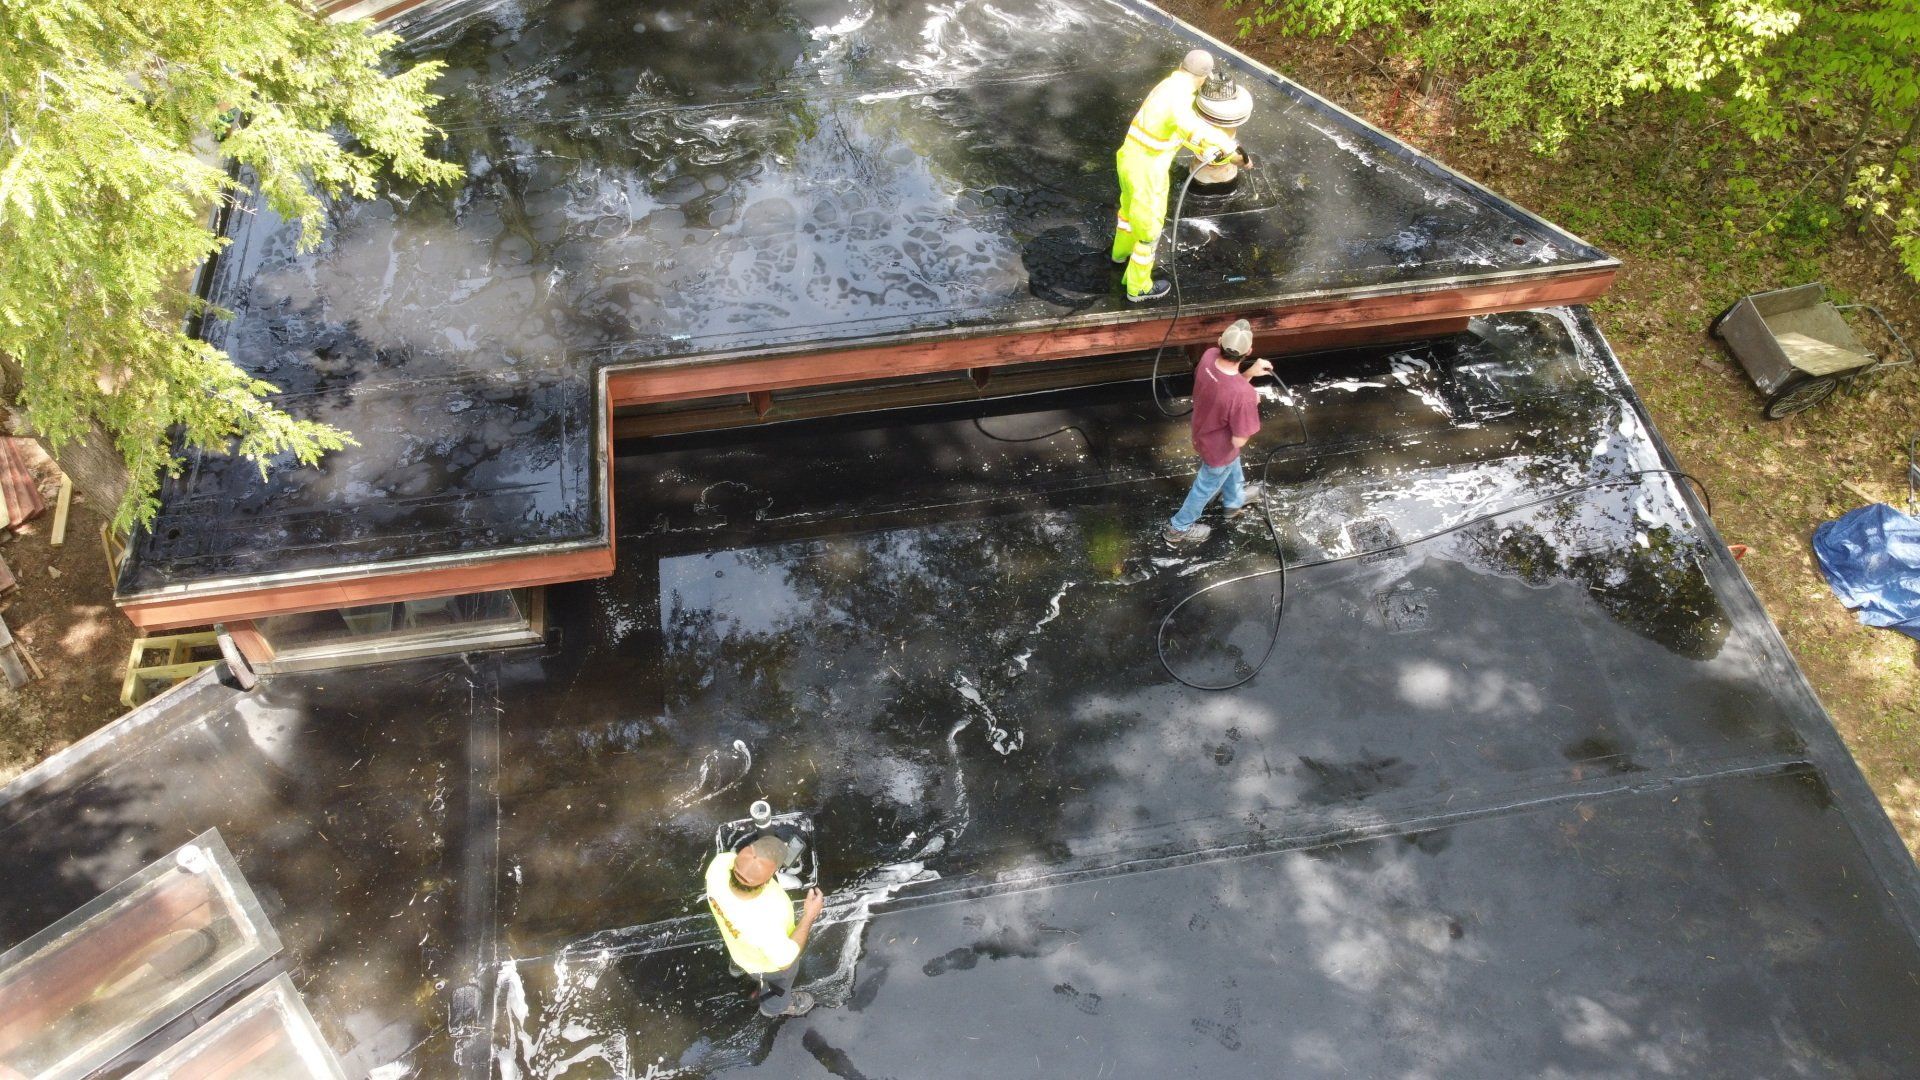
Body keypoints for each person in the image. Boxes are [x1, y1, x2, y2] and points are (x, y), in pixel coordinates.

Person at [1113, 50, 1251, 302]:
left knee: (1128, 211)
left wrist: (1204, 148)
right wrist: (1234, 154)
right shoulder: (1180, 104)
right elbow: (1195, 128)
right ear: (1204, 77)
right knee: (1149, 231)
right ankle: (1138, 288)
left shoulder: (1167, 85)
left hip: (1127, 158)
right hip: (1148, 170)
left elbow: (1179, 132)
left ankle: (1120, 254)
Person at [1167, 319, 1272, 544]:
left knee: (1231, 466)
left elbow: (1224, 390)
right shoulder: (1242, 396)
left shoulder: (1208, 356)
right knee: (1205, 486)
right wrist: (1250, 401)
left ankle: (1234, 502)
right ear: (1249, 351)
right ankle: (1178, 528)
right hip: (1219, 451)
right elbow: (1239, 440)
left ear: (1219, 343)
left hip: (1203, 431)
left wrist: (1250, 374)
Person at [706, 834, 826, 1017]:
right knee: (779, 984)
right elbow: (785, 961)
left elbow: (749, 864)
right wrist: (810, 914)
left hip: (738, 947)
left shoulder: (719, 866)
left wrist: (765, 858)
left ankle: (737, 968)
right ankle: (775, 1007)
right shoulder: (766, 917)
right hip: (765, 966)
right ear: (769, 878)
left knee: (738, 946)